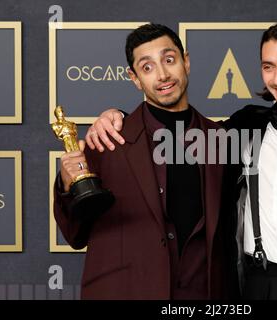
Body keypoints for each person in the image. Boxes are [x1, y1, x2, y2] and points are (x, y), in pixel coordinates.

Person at [84, 21, 277, 300]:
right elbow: (172, 132)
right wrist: (118, 117)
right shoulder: (246, 125)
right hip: (250, 285)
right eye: (269, 67)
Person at [54, 23, 231, 300]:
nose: (162, 75)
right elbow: (76, 235)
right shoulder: (107, 140)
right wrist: (68, 186)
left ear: (186, 62)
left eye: (169, 60)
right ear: (134, 78)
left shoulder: (222, 139)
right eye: (147, 68)